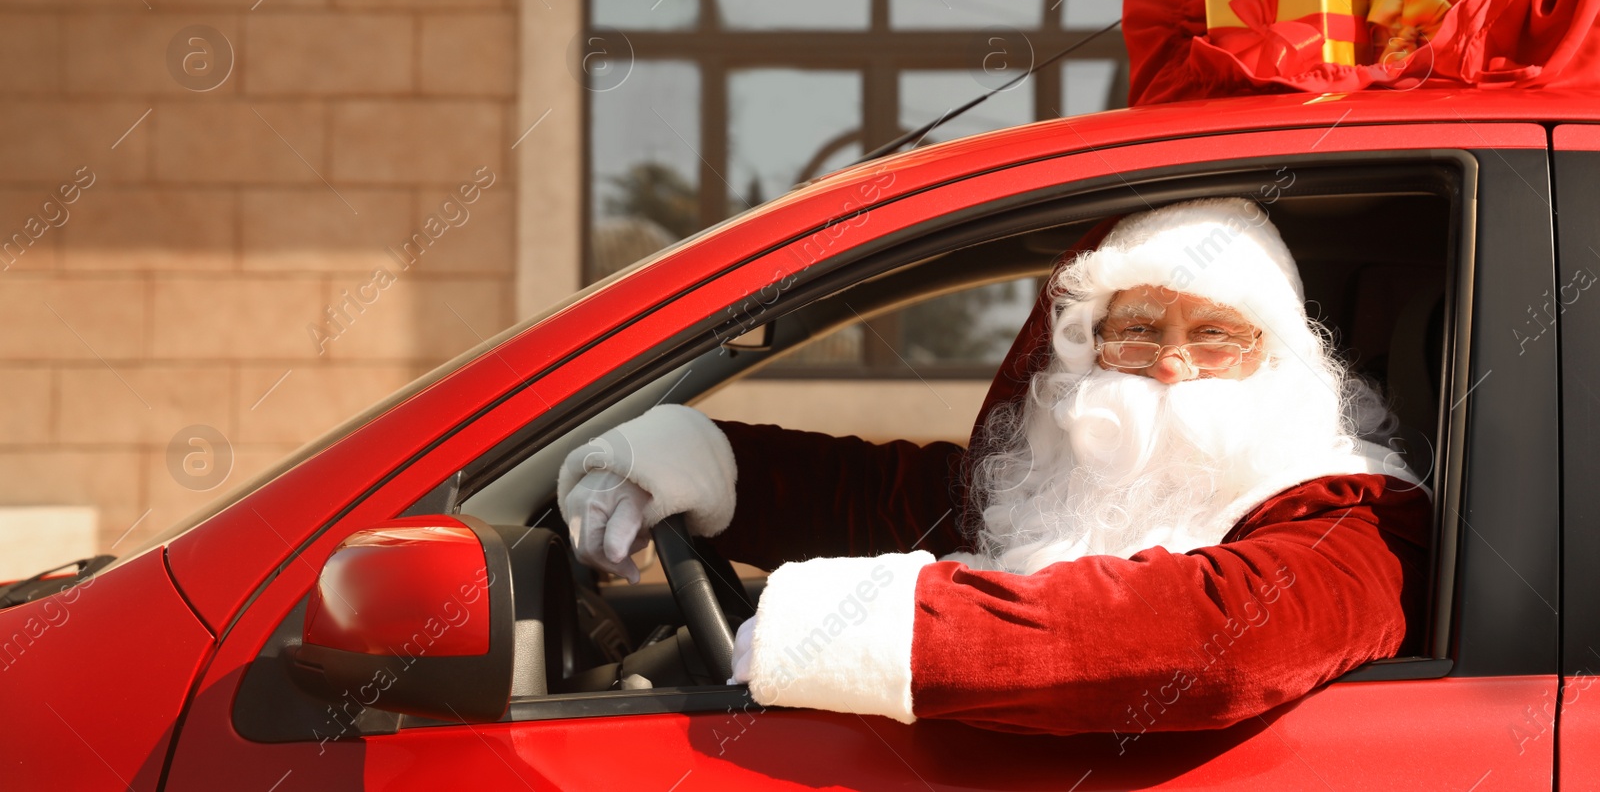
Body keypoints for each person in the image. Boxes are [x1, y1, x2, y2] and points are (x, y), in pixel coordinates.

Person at [557, 196, 1431, 736]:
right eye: (1137, 332)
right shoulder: (1069, 473)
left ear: (1272, 354)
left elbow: (1216, 639)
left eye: (1213, 335)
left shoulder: (1349, 506)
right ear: (1089, 352)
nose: (1171, 364)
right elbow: (889, 499)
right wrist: (695, 457)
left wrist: (870, 633)